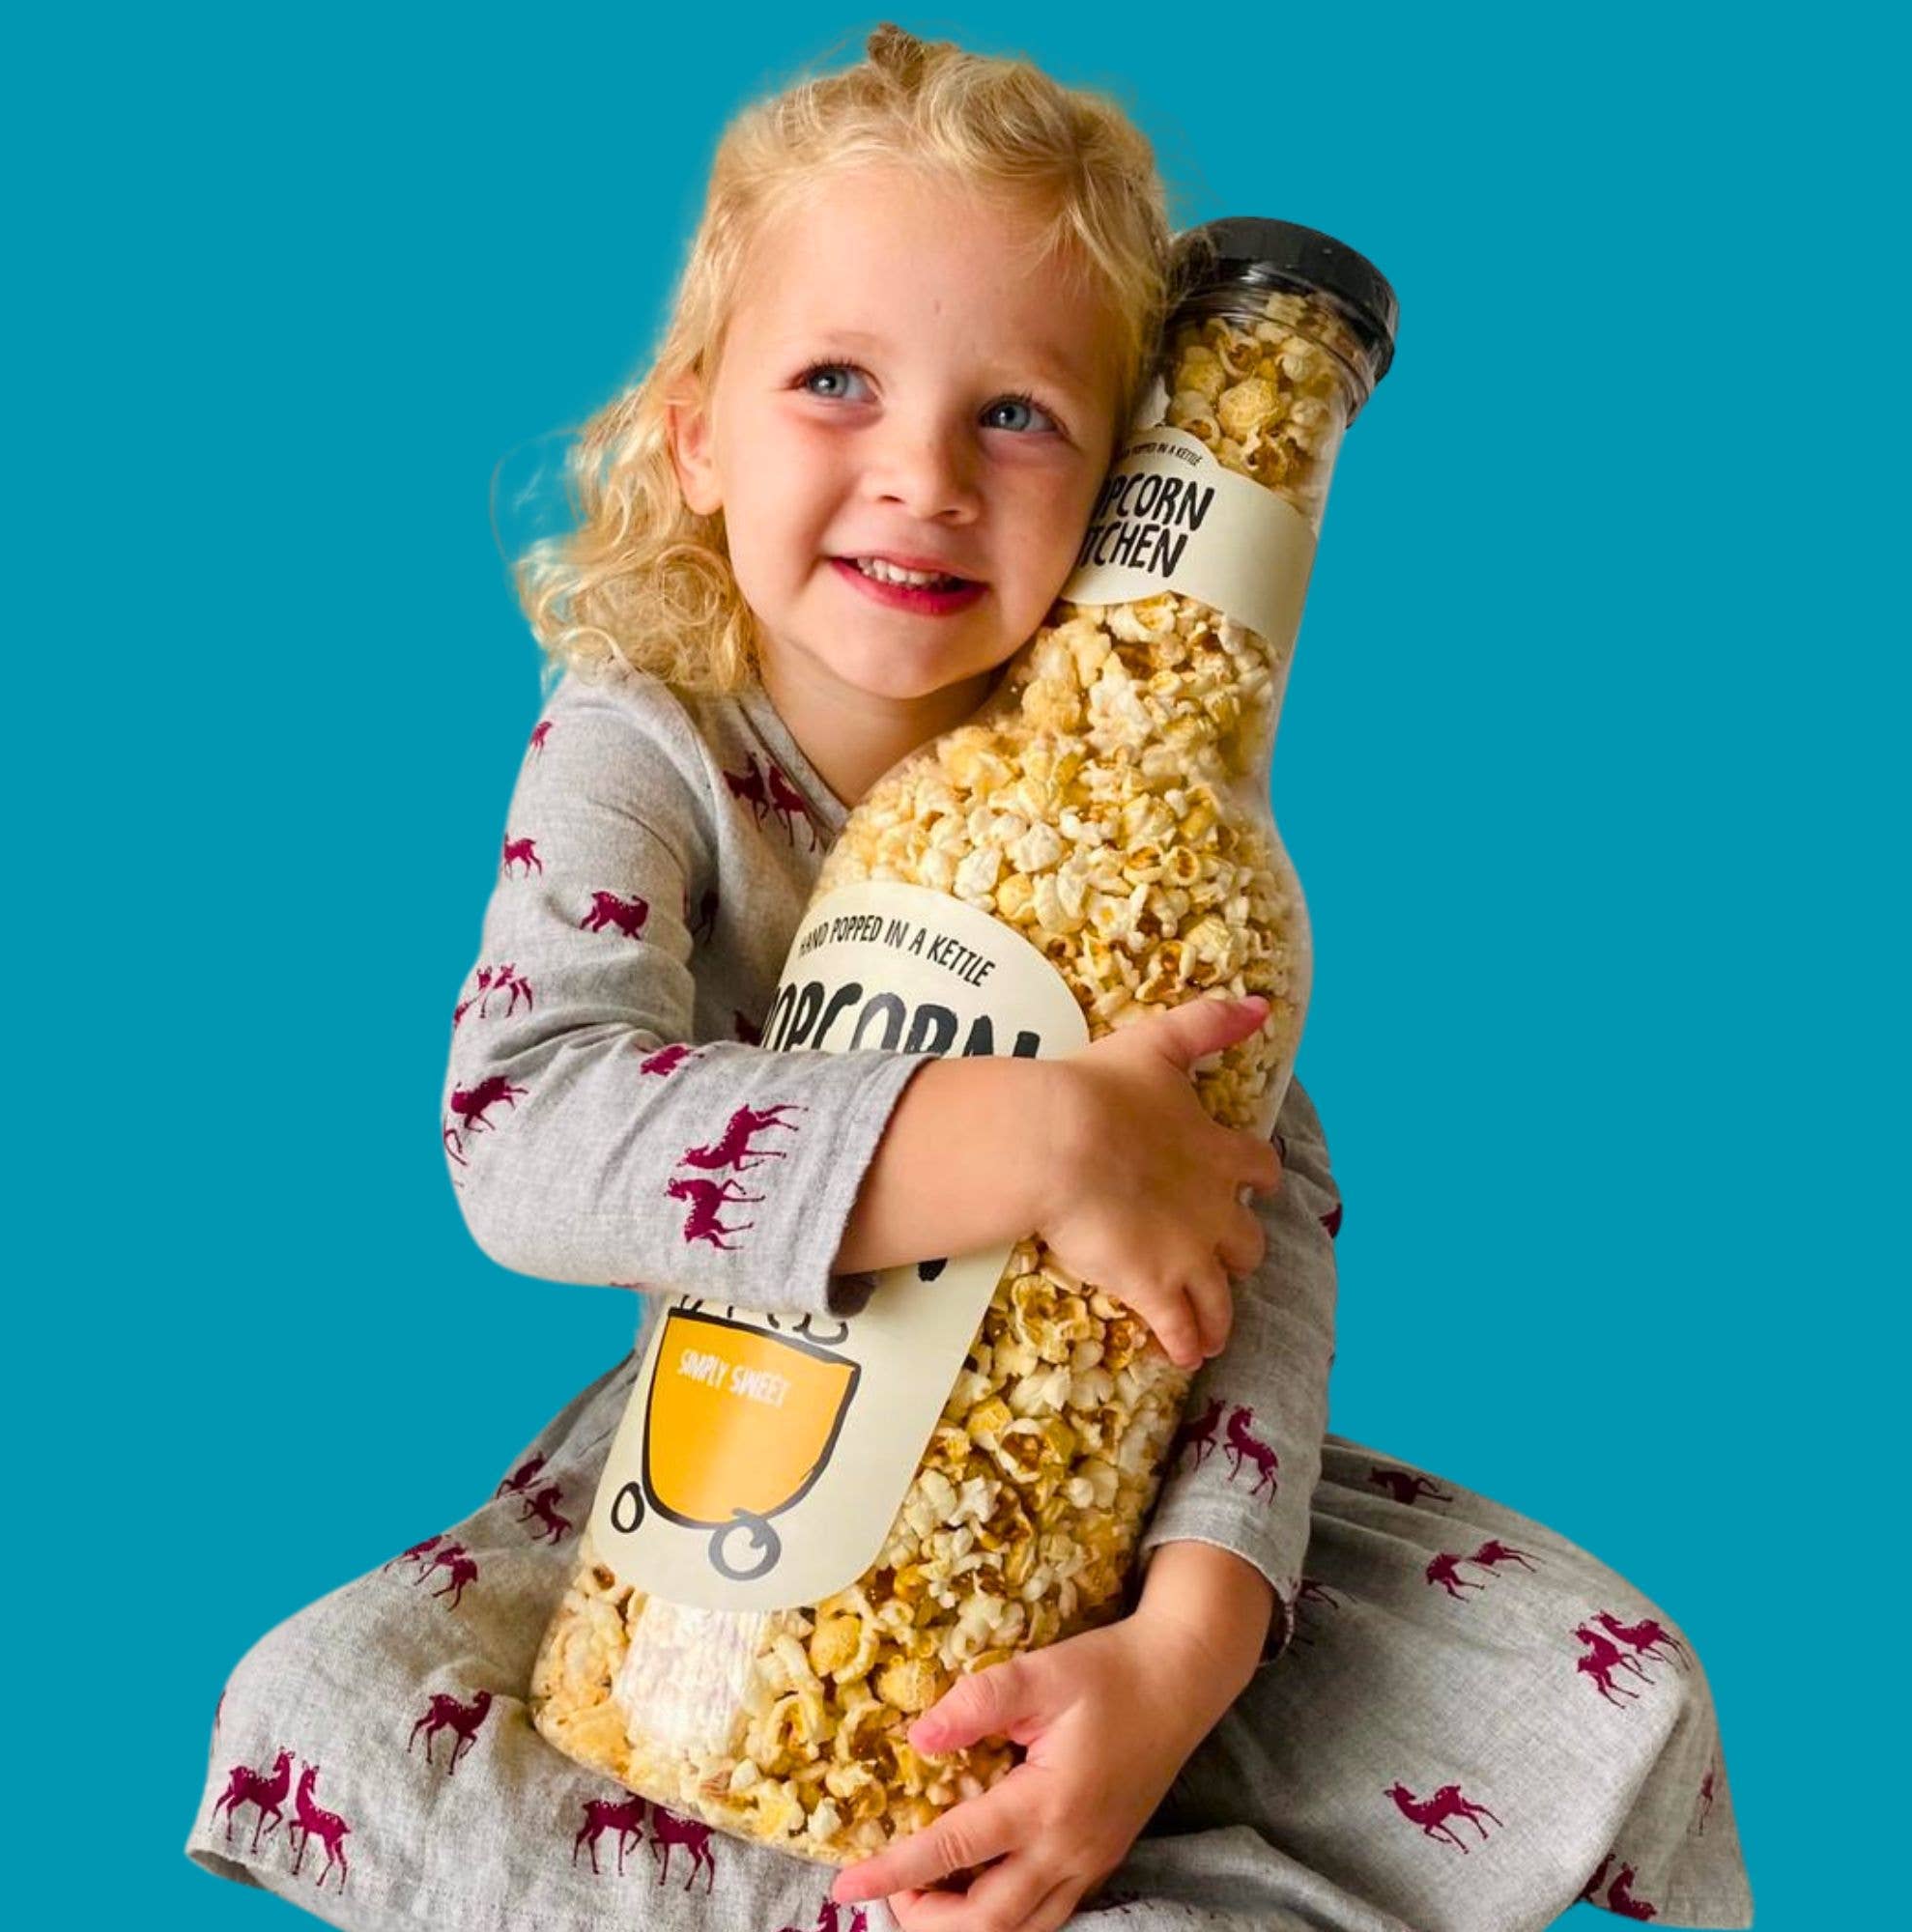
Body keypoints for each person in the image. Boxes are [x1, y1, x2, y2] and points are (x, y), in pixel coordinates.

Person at [183, 23, 1755, 1932]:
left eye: (1016, 415)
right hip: (739, 1440)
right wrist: (1016, 1139)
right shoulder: (645, 745)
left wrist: (1176, 1657)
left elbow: (1255, 1233)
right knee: (337, 1704)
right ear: (695, 430)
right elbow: (522, 1127)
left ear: (1121, 492)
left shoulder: (1144, 845)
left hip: (1064, 1484)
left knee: (1569, 1672)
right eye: (834, 381)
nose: (920, 474)